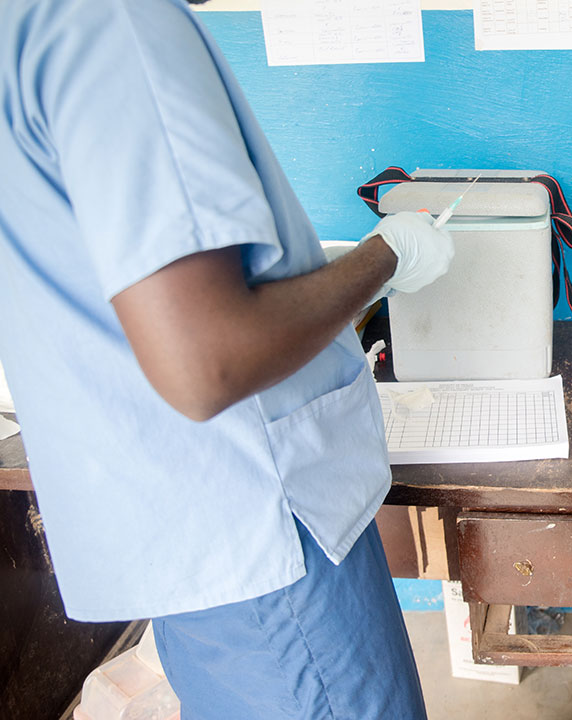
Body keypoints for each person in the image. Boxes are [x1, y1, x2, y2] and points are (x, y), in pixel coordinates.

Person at [0, 1, 452, 718]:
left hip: (175, 529)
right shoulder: (113, 21)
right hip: (263, 540)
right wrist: (386, 255)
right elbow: (207, 362)